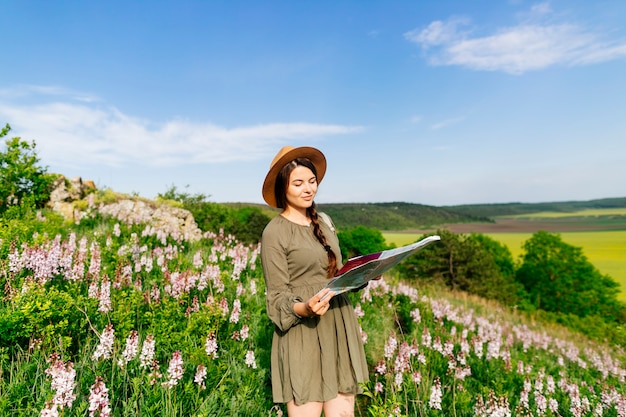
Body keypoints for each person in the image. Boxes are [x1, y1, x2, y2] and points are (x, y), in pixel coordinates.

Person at [260, 146, 368, 417]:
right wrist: (305, 308)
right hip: (303, 332)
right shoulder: (274, 233)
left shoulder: (325, 221)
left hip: (338, 325)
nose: (308, 189)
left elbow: (334, 272)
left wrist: (361, 274)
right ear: (283, 187)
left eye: (312, 181)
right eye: (298, 183)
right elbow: (276, 296)